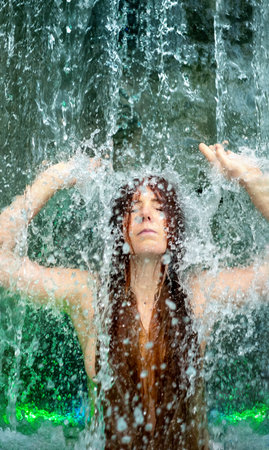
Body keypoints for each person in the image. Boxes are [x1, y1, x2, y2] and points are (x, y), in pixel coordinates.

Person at [0, 142, 269, 449]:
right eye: (134, 208)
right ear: (122, 229)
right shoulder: (89, 296)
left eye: (159, 207)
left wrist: (250, 177)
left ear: (174, 228)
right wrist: (50, 180)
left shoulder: (199, 295)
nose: (145, 214)